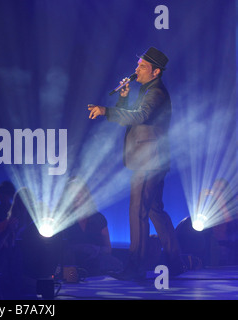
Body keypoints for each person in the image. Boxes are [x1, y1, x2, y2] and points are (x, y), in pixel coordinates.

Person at [87, 47, 183, 279]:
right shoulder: (148, 91)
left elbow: (140, 116)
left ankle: (135, 267)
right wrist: (122, 97)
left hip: (148, 161)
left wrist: (105, 110)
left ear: (156, 71)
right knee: (154, 211)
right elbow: (132, 116)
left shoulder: (156, 92)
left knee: (137, 211)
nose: (136, 69)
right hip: (152, 160)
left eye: (142, 66)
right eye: (137, 65)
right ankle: (175, 261)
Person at [61, 178, 123, 276]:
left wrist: (94, 249)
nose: (76, 196)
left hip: (96, 264)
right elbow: (59, 248)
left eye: (78, 192)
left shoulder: (99, 218)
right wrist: (79, 248)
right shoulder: (62, 219)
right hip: (71, 266)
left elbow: (108, 248)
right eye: (71, 193)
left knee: (114, 265)